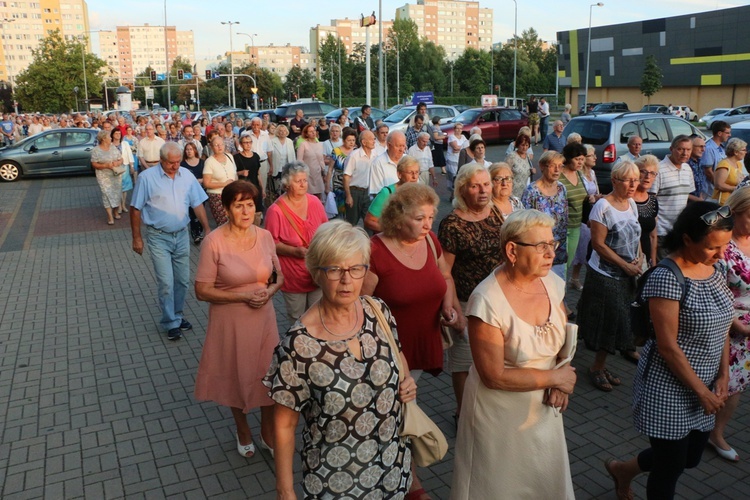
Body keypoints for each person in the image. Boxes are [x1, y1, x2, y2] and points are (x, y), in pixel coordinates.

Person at [264, 220, 416, 498]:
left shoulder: (377, 312)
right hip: (336, 481)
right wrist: (285, 490)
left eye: (356, 268)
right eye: (335, 269)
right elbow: (285, 425)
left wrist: (406, 381)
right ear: (317, 273)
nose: (347, 280)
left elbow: (398, 355)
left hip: (393, 468)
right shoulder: (298, 345)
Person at [605, 202, 733, 500]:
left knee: (690, 458)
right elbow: (667, 346)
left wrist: (724, 373)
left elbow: (723, 323)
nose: (722, 254)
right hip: (670, 388)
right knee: (670, 468)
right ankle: (627, 474)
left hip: (707, 386)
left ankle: (624, 469)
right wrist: (702, 392)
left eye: (725, 245)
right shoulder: (667, 277)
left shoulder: (717, 267)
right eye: (713, 247)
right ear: (687, 239)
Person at [450, 209, 577, 500]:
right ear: (512, 250)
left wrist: (563, 375)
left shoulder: (552, 283)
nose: (550, 253)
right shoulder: (486, 301)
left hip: (544, 410)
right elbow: (493, 376)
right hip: (498, 417)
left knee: (543, 480)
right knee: (499, 486)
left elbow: (565, 335)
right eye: (541, 246)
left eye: (552, 244)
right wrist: (555, 377)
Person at [362, 184, 464, 500]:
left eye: (431, 216)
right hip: (389, 352)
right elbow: (360, 305)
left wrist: (448, 304)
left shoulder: (430, 241)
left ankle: (398, 476)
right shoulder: (375, 251)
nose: (428, 224)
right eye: (420, 218)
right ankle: (411, 485)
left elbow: (445, 275)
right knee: (400, 413)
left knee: (400, 411)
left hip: (421, 342)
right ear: (397, 215)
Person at [194, 180, 283, 459]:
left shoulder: (265, 236)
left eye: (250, 205)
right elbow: (202, 290)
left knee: (270, 376)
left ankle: (267, 432)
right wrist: (242, 297)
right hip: (229, 320)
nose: (246, 211)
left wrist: (268, 291)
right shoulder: (213, 242)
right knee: (236, 375)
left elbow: (279, 277)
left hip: (264, 319)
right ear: (227, 209)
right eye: (239, 205)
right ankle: (242, 430)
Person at [438, 163, 505, 424]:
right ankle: (463, 413)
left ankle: (487, 410)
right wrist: (454, 311)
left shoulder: (495, 212)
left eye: (486, 184)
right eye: (475, 186)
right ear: (463, 189)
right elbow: (445, 273)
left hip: (497, 300)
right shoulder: (452, 224)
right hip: (467, 302)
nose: (483, 190)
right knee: (464, 362)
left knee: (494, 357)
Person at [130, 142, 211, 341]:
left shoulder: (187, 176)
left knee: (182, 280)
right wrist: (137, 238)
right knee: (166, 282)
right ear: (161, 160)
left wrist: (207, 229)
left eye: (178, 162)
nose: (176, 166)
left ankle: (178, 314)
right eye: (171, 163)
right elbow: (135, 209)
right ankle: (170, 322)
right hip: (158, 237)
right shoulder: (146, 178)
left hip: (182, 235)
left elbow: (198, 203)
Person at [577, 161, 643, 392]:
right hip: (605, 274)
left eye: (636, 179)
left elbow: (637, 236)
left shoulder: (632, 204)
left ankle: (602, 363)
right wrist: (625, 266)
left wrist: (639, 258)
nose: (633, 184)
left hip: (627, 273)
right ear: (614, 181)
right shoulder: (603, 206)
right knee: (608, 320)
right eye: (627, 179)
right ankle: (596, 367)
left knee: (619, 319)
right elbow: (599, 245)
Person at [711, 187, 750, 462]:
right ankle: (697, 430)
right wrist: (735, 323)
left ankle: (717, 432)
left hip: (747, 332)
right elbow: (714, 289)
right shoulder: (722, 247)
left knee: (738, 383)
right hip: (725, 326)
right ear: (735, 212)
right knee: (718, 381)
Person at [265, 161, 329, 323]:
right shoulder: (276, 211)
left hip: (316, 272)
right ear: (287, 184)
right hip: (293, 275)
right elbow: (270, 244)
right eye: (298, 181)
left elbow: (327, 231)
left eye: (305, 180)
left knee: (318, 317)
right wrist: (294, 251)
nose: (303, 184)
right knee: (297, 319)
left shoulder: (315, 202)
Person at [650, 135, 698, 260]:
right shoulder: (659, 169)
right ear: (671, 149)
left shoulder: (687, 169)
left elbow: (686, 196)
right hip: (662, 231)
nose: (685, 153)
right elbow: (650, 199)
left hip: (679, 230)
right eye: (680, 149)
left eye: (688, 150)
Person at [521, 151, 568, 279]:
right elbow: (524, 225)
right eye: (553, 165)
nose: (557, 170)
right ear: (542, 166)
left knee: (558, 288)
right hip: (539, 252)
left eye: (561, 166)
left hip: (559, 250)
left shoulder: (562, 188)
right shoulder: (531, 192)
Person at [570, 144, 602, 290]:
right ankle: (575, 278)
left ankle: (586, 278)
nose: (595, 157)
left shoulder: (593, 173)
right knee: (582, 250)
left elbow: (596, 191)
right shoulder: (579, 176)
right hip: (582, 215)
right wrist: (591, 197)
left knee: (591, 248)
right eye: (591, 155)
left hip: (593, 213)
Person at [365, 156, 421, 233]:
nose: (414, 177)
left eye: (417, 172)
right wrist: (393, 231)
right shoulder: (387, 193)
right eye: (410, 172)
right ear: (399, 174)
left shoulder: (419, 193)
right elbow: (369, 221)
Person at [560, 142, 589, 272]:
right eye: (577, 159)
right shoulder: (559, 177)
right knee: (561, 265)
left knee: (569, 262)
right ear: (568, 158)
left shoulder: (579, 175)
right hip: (562, 227)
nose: (580, 162)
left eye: (582, 159)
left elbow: (582, 196)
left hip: (576, 227)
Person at [90, 130, 125, 225]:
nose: (111, 138)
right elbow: (94, 164)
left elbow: (121, 159)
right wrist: (105, 166)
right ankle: (110, 216)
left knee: (117, 194)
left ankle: (115, 211)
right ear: (104, 139)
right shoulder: (96, 150)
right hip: (103, 176)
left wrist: (117, 163)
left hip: (115, 175)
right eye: (109, 137)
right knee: (106, 194)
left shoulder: (113, 147)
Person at [203, 134, 238, 226]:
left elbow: (235, 174)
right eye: (216, 145)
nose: (219, 147)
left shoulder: (230, 156)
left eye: (221, 144)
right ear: (211, 147)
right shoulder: (209, 162)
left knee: (235, 222)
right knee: (224, 224)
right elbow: (206, 183)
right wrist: (224, 184)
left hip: (232, 194)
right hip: (217, 197)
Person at [343, 130, 376, 226]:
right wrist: (348, 196)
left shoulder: (376, 155)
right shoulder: (354, 156)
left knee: (369, 222)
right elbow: (346, 177)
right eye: (371, 139)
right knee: (351, 223)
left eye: (374, 139)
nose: (374, 141)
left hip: (369, 192)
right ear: (364, 142)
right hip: (355, 192)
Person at [634, 155, 660, 269]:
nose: (648, 176)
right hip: (629, 258)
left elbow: (653, 236)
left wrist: (653, 262)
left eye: (652, 173)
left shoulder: (653, 201)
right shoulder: (626, 199)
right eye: (643, 171)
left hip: (646, 258)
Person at [328, 127, 357, 216]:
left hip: (352, 183)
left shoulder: (356, 151)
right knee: (340, 209)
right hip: (338, 184)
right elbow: (330, 169)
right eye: (349, 140)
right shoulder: (336, 151)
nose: (351, 142)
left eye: (353, 140)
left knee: (351, 210)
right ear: (344, 140)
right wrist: (327, 186)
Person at [180, 143, 206, 244]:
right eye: (187, 150)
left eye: (191, 149)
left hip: (201, 191)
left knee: (200, 211)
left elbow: (207, 176)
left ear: (195, 150)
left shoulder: (202, 163)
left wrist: (200, 180)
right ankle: (195, 234)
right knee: (192, 214)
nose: (189, 151)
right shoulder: (183, 164)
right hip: (188, 192)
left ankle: (200, 231)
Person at [234, 134, 263, 222]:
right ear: (241, 144)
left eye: (250, 142)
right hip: (243, 188)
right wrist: (241, 173)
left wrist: (262, 188)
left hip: (255, 187)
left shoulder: (256, 156)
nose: (248, 144)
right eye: (245, 142)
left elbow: (258, 173)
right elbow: (232, 174)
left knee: (257, 212)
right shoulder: (236, 157)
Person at [370, 130, 407, 196]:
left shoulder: (407, 159)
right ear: (389, 145)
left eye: (403, 146)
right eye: (398, 146)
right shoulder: (378, 163)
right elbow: (376, 193)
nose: (401, 150)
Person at [296, 124, 327, 201]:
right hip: (308, 174)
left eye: (314, 131)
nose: (313, 133)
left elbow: (321, 160)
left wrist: (324, 173)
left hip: (318, 174)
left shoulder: (320, 144)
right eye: (310, 131)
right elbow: (299, 160)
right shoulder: (303, 144)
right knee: (309, 196)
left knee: (319, 196)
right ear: (306, 134)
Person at [712, 138, 747, 205]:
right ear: (736, 152)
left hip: (732, 202)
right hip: (722, 203)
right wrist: (737, 189)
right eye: (744, 150)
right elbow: (719, 185)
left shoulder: (738, 164)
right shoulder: (724, 165)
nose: (746, 152)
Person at [701, 120, 731, 190]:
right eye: (727, 133)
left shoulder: (721, 147)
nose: (730, 135)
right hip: (711, 191)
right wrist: (719, 185)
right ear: (719, 133)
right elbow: (708, 171)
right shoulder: (709, 148)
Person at [112, 129, 135, 215]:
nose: (118, 135)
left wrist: (132, 166)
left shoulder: (125, 143)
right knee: (117, 186)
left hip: (124, 166)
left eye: (119, 133)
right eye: (116, 133)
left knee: (124, 186)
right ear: (112, 134)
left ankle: (123, 204)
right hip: (115, 167)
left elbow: (129, 154)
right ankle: (119, 206)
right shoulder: (110, 145)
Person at [505, 133, 536, 198]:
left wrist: (532, 171)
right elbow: (505, 174)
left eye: (527, 145)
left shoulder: (527, 156)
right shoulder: (512, 156)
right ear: (518, 145)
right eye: (522, 145)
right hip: (512, 192)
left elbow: (526, 170)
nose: (525, 148)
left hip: (524, 192)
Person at [270, 125, 295, 197]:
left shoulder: (289, 141)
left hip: (287, 169)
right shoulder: (272, 141)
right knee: (277, 190)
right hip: (276, 169)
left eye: (284, 131)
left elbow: (293, 155)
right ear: (277, 132)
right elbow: (270, 155)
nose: (282, 132)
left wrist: (294, 168)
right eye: (280, 131)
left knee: (287, 188)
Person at [446, 122, 468, 193]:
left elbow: (467, 147)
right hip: (452, 160)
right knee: (453, 176)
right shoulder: (451, 137)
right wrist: (462, 147)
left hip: (460, 159)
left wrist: (459, 148)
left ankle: (457, 193)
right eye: (457, 128)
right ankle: (453, 193)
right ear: (454, 129)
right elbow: (455, 147)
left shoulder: (463, 137)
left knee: (460, 176)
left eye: (460, 129)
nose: (459, 130)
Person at [688, 136, 708, 200]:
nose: (703, 149)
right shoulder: (685, 164)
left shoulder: (700, 161)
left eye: (704, 146)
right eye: (700, 146)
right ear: (691, 147)